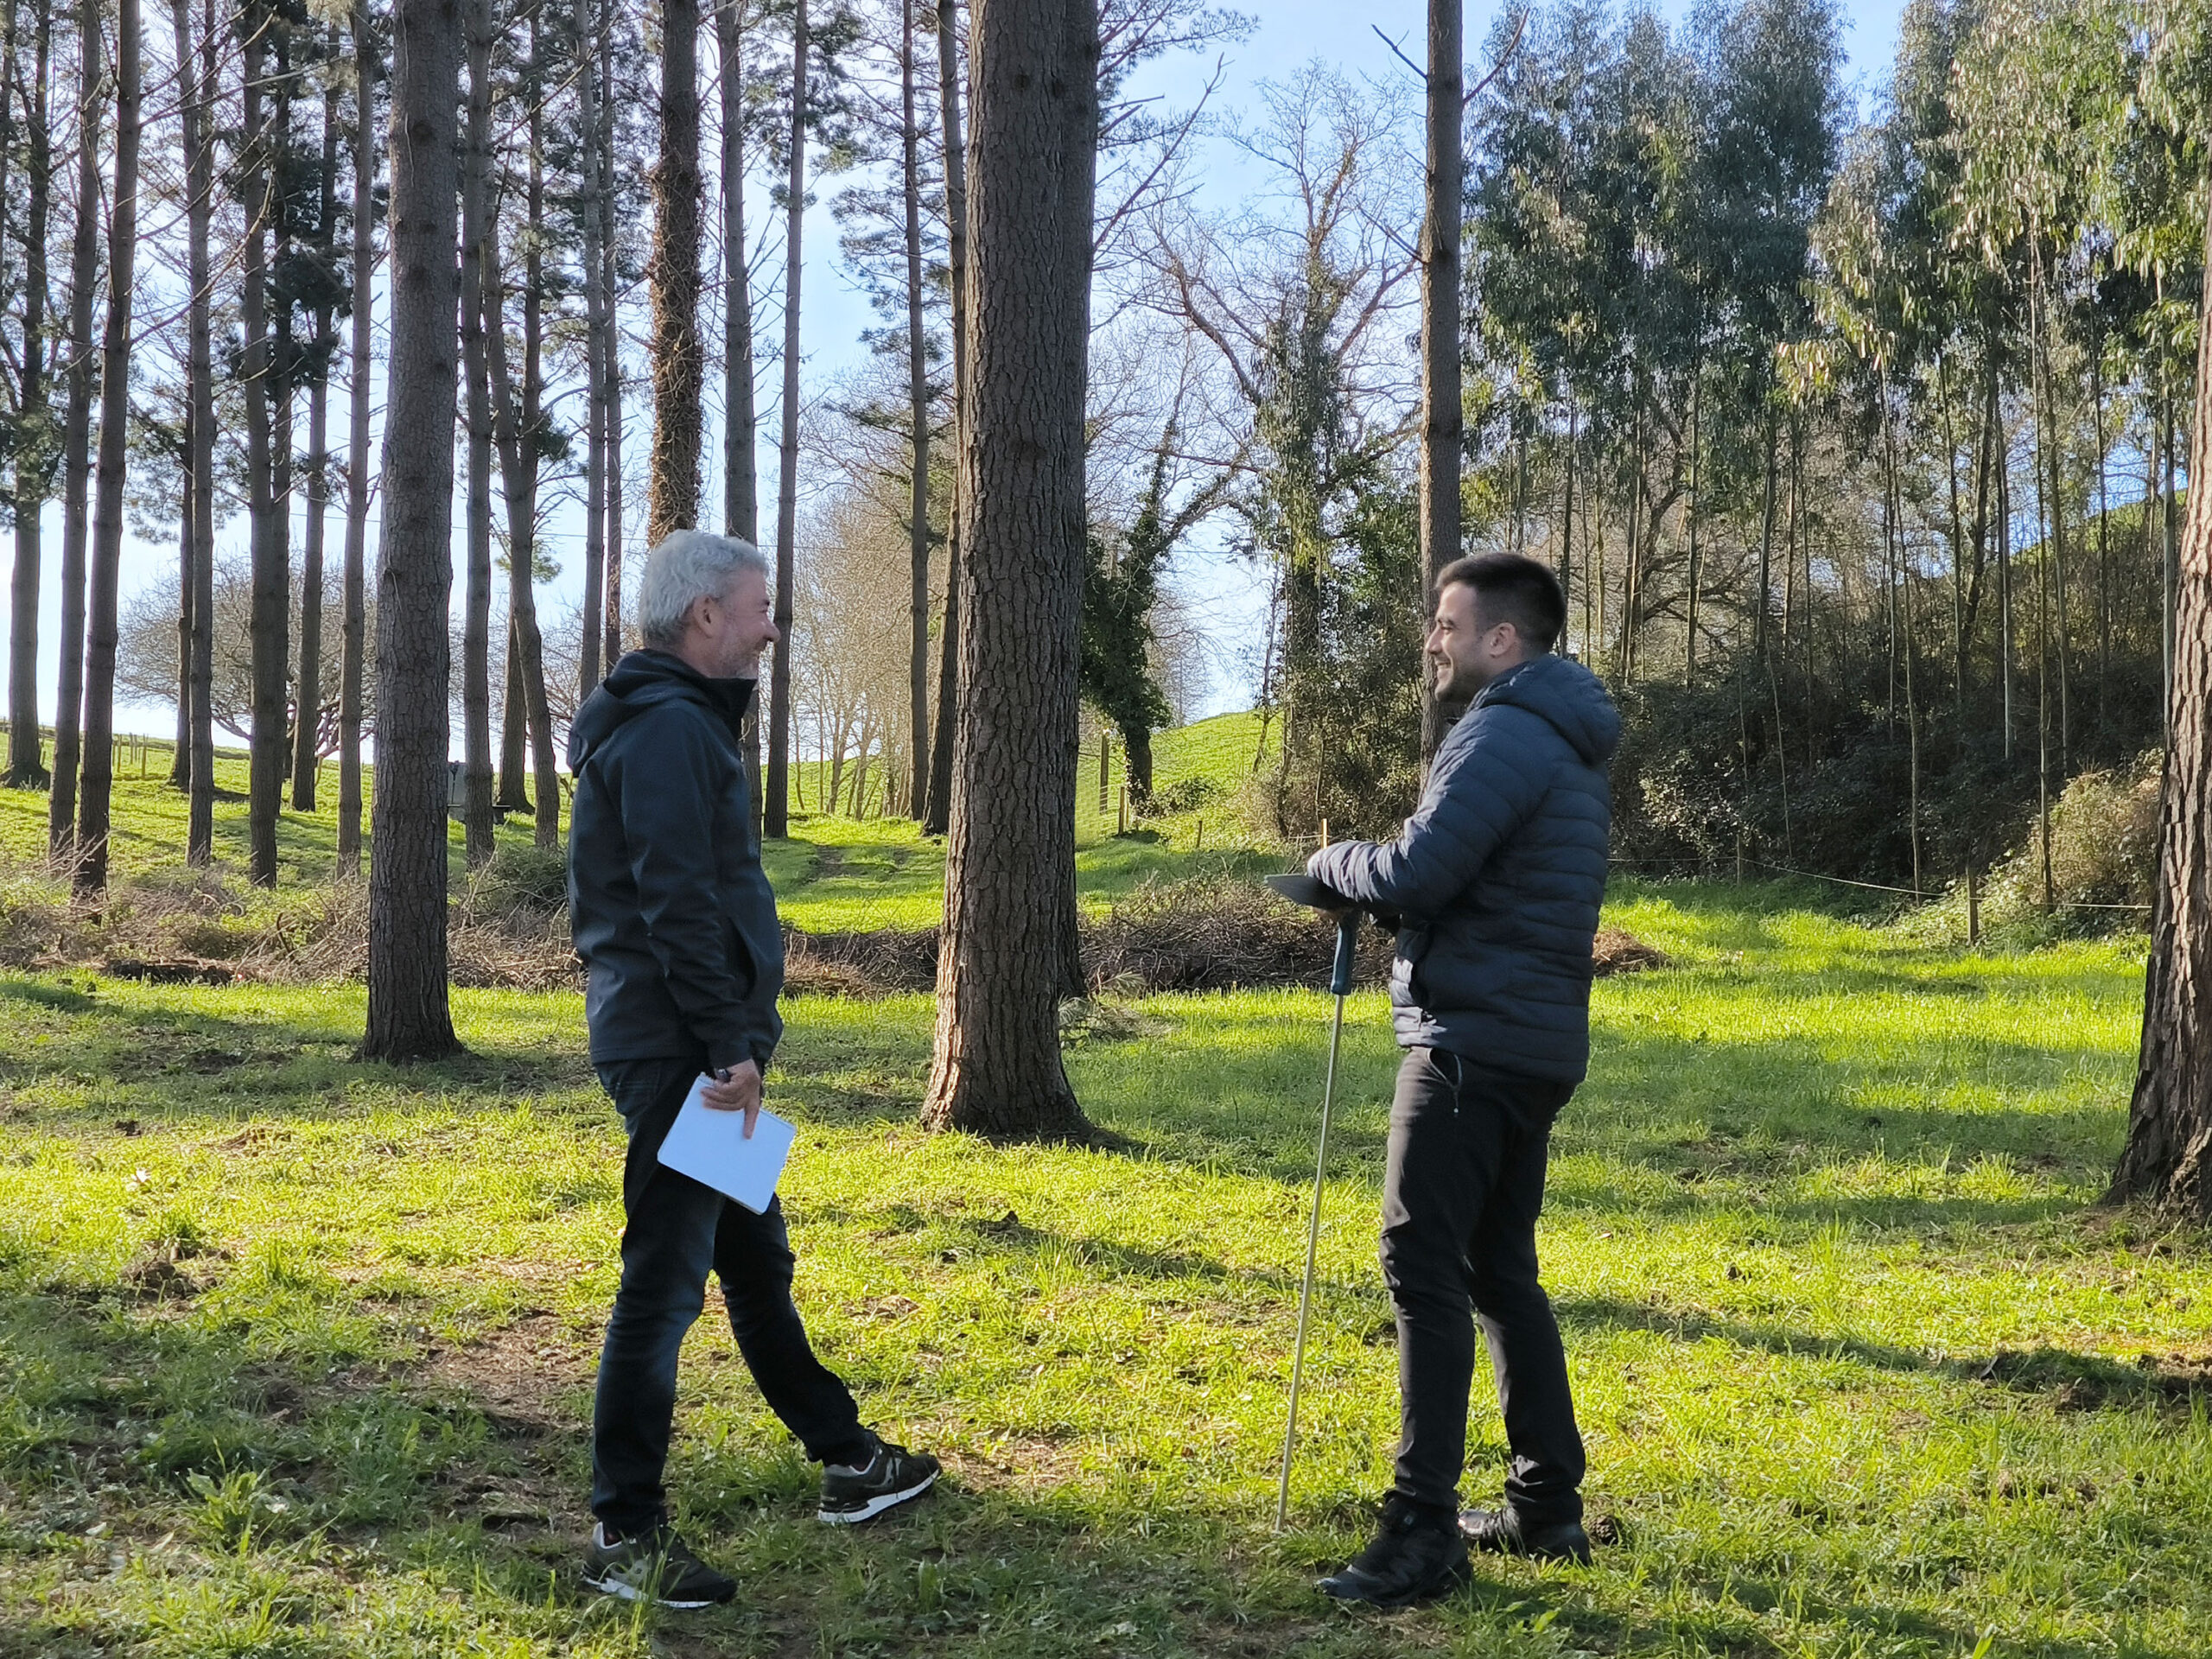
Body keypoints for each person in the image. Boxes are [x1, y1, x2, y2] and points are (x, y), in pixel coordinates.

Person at [567, 529, 939, 1609]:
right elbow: (678, 899)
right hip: (685, 1046)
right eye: (761, 608)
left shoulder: (664, 724)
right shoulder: (672, 730)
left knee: (753, 1256)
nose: (773, 627)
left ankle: (846, 1457)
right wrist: (730, 1049)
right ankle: (623, 1533)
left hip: (687, 1039)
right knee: (664, 1283)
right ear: (704, 618)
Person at [1305, 551, 1619, 1609]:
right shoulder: (1562, 739)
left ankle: (1420, 1532)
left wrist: (1330, 865)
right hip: (1529, 1043)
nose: (1431, 641)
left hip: (1470, 1041)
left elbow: (1417, 873)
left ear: (1503, 640)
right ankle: (1544, 1504)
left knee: (1421, 1266)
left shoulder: (1500, 731)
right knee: (1495, 1266)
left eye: (1446, 624)